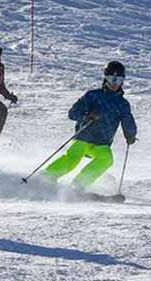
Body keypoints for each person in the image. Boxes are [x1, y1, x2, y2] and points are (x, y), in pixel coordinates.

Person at [44, 60, 138, 188]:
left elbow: (128, 120)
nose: (115, 84)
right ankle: (48, 175)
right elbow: (73, 113)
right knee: (73, 158)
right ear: (106, 79)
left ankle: (79, 184)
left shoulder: (122, 104)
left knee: (106, 159)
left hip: (101, 142)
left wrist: (130, 135)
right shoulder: (93, 96)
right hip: (83, 137)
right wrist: (87, 116)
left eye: (118, 80)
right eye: (112, 79)